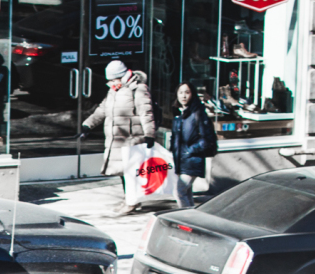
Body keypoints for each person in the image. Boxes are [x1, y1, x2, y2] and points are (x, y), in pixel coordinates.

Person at [79, 59, 155, 213]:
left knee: (130, 172)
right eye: (110, 80)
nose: (111, 83)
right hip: (117, 140)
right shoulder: (113, 91)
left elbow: (146, 112)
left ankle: (131, 203)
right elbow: (102, 110)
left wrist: (149, 134)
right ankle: (130, 200)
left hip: (132, 138)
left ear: (123, 76)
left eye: (114, 79)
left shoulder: (138, 89)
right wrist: (88, 124)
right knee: (123, 173)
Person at [170, 82, 216, 208]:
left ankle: (186, 220)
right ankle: (192, 216)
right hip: (181, 160)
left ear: (192, 94)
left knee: (179, 191)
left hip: (192, 159)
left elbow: (206, 139)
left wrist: (189, 151)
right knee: (187, 192)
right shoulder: (179, 114)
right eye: (180, 92)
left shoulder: (198, 113)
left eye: (187, 92)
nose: (183, 96)